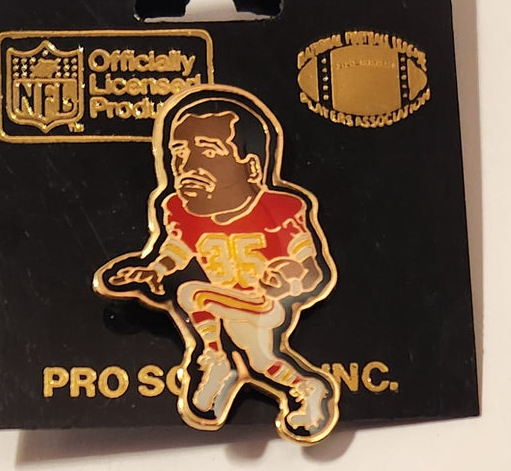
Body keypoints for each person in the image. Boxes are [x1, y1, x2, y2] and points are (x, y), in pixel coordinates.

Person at [94, 85, 340, 443]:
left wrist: (292, 274)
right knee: (262, 364)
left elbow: (313, 271)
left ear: (251, 167)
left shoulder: (281, 209)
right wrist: (153, 270)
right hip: (226, 303)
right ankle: (307, 388)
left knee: (193, 295)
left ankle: (215, 358)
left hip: (263, 303)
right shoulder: (177, 209)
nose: (186, 166)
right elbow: (176, 251)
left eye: (208, 151)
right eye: (179, 152)